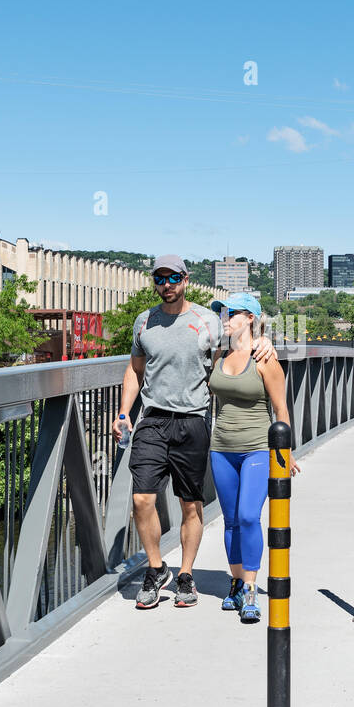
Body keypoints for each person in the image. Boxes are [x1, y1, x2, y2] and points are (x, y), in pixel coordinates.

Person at [112, 255, 274, 609]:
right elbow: (134, 371)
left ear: (185, 280)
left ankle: (185, 575)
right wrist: (124, 412)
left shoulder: (207, 321)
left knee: (190, 504)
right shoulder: (144, 322)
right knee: (142, 499)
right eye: (159, 279)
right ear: (153, 282)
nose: (166, 285)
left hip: (193, 421)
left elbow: (240, 345)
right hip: (152, 419)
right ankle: (157, 569)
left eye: (173, 279)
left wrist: (266, 342)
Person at [208, 293, 298, 623]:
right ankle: (235, 582)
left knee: (248, 516)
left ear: (250, 318)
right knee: (230, 520)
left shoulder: (264, 359)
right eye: (223, 313)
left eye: (231, 313)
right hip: (221, 448)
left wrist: (285, 452)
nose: (225, 318)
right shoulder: (219, 352)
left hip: (259, 447)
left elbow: (281, 409)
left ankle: (250, 588)